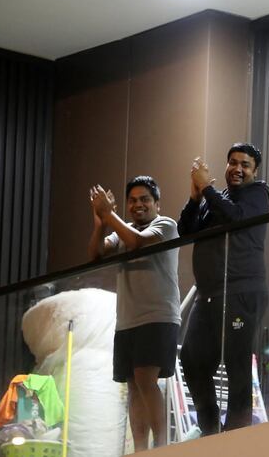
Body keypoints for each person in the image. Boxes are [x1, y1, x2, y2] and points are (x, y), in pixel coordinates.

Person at [177, 143, 269, 434]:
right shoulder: (215, 199)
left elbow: (236, 217)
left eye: (245, 164)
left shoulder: (258, 194)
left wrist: (207, 189)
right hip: (208, 294)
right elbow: (185, 231)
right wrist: (195, 198)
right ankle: (210, 430)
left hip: (241, 292)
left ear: (255, 171)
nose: (237, 169)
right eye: (232, 162)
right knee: (191, 361)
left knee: (236, 364)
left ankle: (236, 439)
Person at [87, 176, 180, 451]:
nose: (138, 205)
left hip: (158, 316)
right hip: (127, 320)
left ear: (157, 204)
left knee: (144, 379)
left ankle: (161, 446)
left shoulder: (166, 224)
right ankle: (140, 448)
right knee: (133, 384)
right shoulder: (121, 230)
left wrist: (108, 213)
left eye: (145, 199)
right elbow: (94, 254)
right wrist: (100, 222)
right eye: (132, 200)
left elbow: (138, 241)